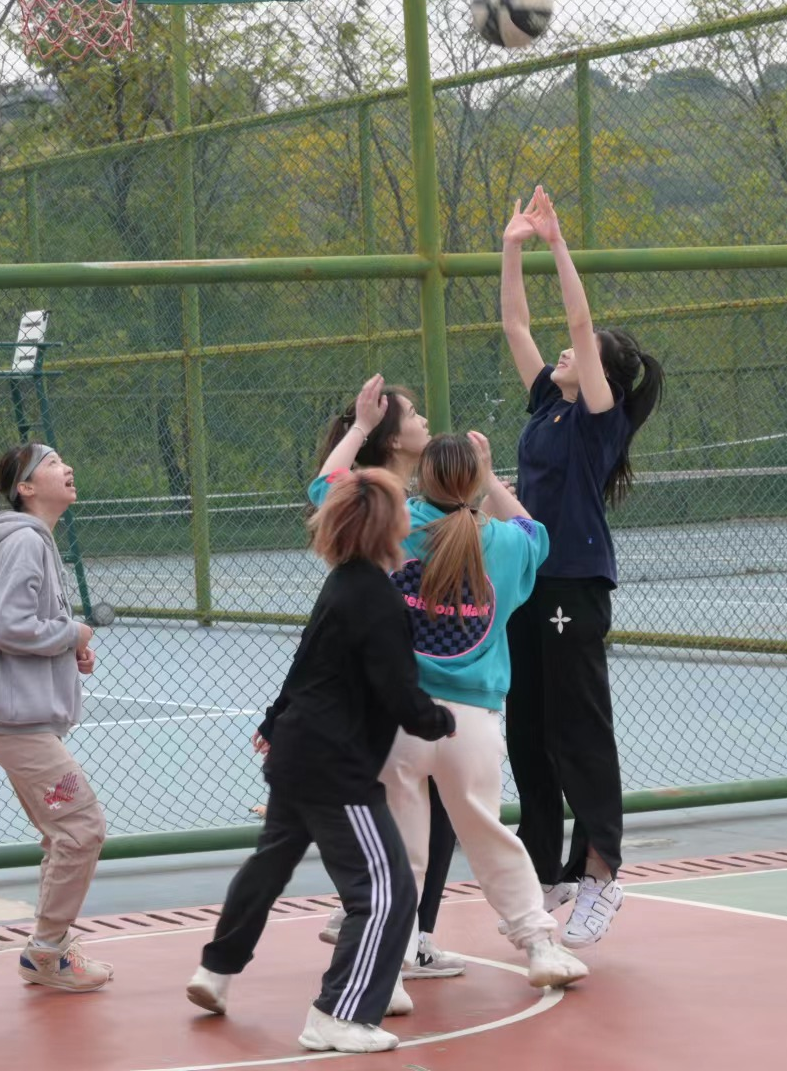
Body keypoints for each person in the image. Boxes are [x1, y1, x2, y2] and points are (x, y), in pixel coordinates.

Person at [312, 386, 588, 991]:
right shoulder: (507, 544)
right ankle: (538, 945)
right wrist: (487, 477)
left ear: (423, 482)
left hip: (398, 721)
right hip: (473, 722)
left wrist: (359, 429)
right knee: (490, 837)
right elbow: (534, 529)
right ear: (473, 482)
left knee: (401, 853)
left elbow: (326, 488)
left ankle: (390, 966)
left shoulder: (395, 525)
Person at [187, 468, 456, 1054]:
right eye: (402, 504)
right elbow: (398, 692)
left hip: (297, 753)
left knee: (271, 862)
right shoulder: (377, 597)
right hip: (336, 768)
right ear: (387, 523)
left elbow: (307, 663)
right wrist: (440, 720)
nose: (410, 511)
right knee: (387, 892)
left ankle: (216, 968)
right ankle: (338, 1013)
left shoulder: (343, 583)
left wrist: (273, 720)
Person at [499, 187, 665, 949]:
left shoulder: (600, 418)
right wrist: (512, 247)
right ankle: (545, 869)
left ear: (604, 373)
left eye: (583, 351)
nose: (568, 352)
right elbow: (516, 324)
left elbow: (575, 323)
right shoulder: (547, 405)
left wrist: (557, 243)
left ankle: (601, 871)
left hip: (575, 585)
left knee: (578, 728)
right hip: (528, 583)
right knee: (528, 728)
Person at [309, 387, 465, 981]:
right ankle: (389, 924)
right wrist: (362, 424)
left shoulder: (401, 503)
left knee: (412, 805)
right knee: (421, 807)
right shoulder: (390, 504)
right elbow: (324, 488)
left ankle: (388, 921)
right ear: (395, 438)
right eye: (415, 414)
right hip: (408, 680)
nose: (426, 419)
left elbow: (324, 485)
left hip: (401, 676)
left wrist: (360, 426)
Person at [0, 442, 111, 992]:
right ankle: (47, 951)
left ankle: (51, 947)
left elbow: (26, 626)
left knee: (62, 831)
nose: (66, 468)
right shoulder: (25, 540)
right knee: (81, 827)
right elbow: (8, 627)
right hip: (15, 723)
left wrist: (68, 649)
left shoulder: (30, 539)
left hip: (17, 718)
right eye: (51, 463)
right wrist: (72, 633)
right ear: (25, 488)